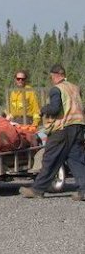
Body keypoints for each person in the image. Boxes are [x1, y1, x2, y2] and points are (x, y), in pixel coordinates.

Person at [20, 64, 85, 200]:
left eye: (51, 77)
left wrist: (44, 109)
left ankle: (37, 190)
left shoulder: (57, 89)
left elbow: (55, 109)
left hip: (62, 129)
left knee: (50, 158)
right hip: (78, 127)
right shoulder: (75, 88)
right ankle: (83, 191)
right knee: (77, 160)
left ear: (55, 75)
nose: (51, 79)